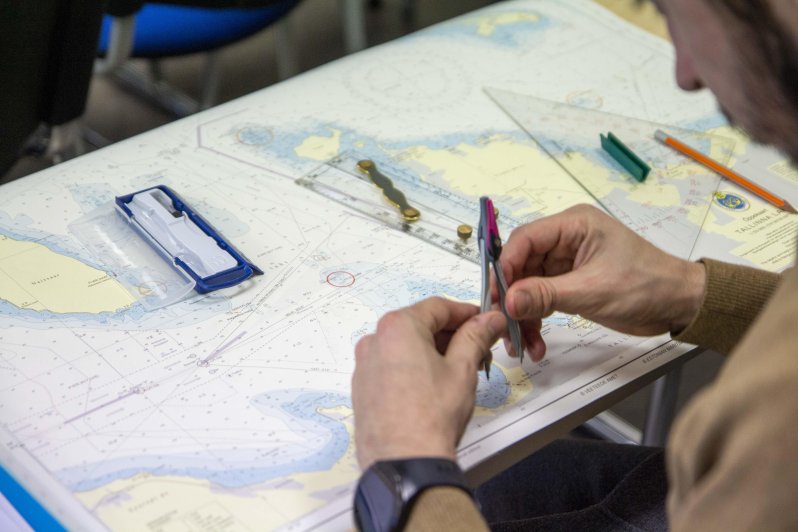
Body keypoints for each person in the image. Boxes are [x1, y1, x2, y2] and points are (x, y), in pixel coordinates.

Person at [351, 0, 798, 530]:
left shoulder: (769, 432)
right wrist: (692, 292)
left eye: (674, 12)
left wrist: (407, 470)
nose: (685, 74)